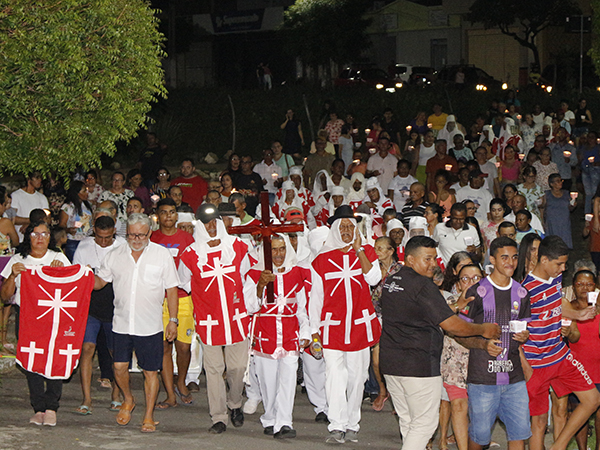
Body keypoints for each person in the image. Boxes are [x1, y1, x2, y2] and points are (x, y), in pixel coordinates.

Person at [379, 236, 500, 449]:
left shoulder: (392, 280)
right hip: (418, 365)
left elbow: (416, 312)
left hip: (391, 363)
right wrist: (484, 329)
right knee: (425, 424)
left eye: (435, 258)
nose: (434, 264)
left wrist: (453, 307)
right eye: (428, 259)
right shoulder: (422, 286)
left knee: (409, 421)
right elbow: (453, 326)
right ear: (410, 259)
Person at [93, 213, 180, 433]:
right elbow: (100, 282)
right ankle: (128, 399)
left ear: (149, 232)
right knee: (119, 367)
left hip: (150, 326)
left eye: (141, 234)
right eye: (132, 234)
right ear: (126, 233)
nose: (137, 238)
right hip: (121, 323)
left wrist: (173, 320)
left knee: (150, 371)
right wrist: (76, 276)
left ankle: (149, 416)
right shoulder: (115, 255)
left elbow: (171, 289)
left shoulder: (162, 255)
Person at [309, 206, 382, 444]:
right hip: (332, 327)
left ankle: (353, 422)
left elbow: (374, 279)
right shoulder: (321, 259)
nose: (348, 231)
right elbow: (316, 298)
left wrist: (359, 250)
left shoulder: (367, 251)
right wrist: (313, 330)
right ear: (335, 229)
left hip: (359, 325)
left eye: (351, 226)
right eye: (343, 227)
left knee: (357, 376)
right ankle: (337, 425)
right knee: (334, 376)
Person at [178, 204, 253, 433]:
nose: (211, 227)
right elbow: (184, 283)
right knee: (213, 369)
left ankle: (235, 403)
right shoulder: (190, 255)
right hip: (209, 320)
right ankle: (218, 416)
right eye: (206, 223)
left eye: (214, 222)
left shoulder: (238, 247)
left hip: (236, 318)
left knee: (237, 367)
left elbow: (247, 277)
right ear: (199, 225)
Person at [522, 236, 600, 450]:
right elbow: (514, 330)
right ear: (544, 260)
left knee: (592, 399)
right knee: (538, 423)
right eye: (559, 264)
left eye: (565, 264)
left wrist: (579, 314)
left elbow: (557, 304)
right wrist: (524, 365)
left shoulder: (554, 278)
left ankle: (559, 446)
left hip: (560, 355)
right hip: (535, 363)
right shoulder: (525, 291)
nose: (563, 269)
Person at [460, 237, 532, 450]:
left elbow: (522, 328)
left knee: (519, 433)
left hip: (514, 378)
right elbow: (460, 333)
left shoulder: (522, 292)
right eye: (504, 257)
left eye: (514, 257)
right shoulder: (477, 291)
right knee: (480, 436)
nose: (511, 262)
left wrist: (524, 337)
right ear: (492, 259)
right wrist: (483, 344)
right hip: (483, 378)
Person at [0, 220, 71, 426]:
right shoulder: (18, 259)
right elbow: (5, 297)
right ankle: (38, 407)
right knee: (32, 361)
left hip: (53, 317)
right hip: (27, 317)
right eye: (35, 234)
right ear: (28, 237)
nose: (40, 238)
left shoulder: (58, 258)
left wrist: (61, 273)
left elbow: (71, 289)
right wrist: (13, 275)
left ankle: (51, 406)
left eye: (44, 234)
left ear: (50, 237)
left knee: (53, 359)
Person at [244, 235, 310, 438]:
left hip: (290, 333)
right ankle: (270, 417)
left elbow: (302, 308)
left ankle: (284, 422)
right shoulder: (254, 274)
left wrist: (305, 331)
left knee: (288, 380)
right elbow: (250, 307)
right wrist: (260, 286)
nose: (279, 254)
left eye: (282, 249)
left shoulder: (298, 273)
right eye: (273, 250)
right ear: (266, 252)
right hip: (266, 334)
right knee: (268, 381)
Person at [73, 216, 124, 416]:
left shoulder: (123, 247)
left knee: (115, 352)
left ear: (114, 232)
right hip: (91, 307)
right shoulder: (84, 248)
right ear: (94, 231)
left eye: (108, 237)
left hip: (115, 307)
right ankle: (87, 398)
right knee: (87, 348)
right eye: (100, 237)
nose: (103, 241)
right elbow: (77, 277)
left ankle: (116, 394)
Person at [150, 198, 195, 409]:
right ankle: (170, 394)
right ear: (158, 216)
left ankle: (181, 380)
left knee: (184, 347)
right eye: (164, 212)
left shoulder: (188, 239)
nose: (168, 216)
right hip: (158, 299)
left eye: (172, 212)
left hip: (183, 298)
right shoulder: (151, 238)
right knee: (163, 348)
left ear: (176, 215)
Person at [438, 263, 484, 450]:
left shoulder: (493, 305)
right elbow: (440, 318)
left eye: (476, 279)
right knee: (458, 406)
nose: (471, 283)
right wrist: (459, 305)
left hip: (482, 363)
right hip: (454, 363)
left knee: (479, 411)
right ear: (458, 285)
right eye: (465, 279)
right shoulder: (450, 305)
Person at [567, 270, 600, 450]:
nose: (584, 288)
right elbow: (572, 338)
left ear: (595, 286)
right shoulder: (569, 308)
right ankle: (582, 448)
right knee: (580, 411)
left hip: (599, 366)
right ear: (573, 287)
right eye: (580, 284)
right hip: (578, 368)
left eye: (589, 284)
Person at [370, 236, 399, 412]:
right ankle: (382, 390)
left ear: (391, 251)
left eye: (381, 248)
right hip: (376, 318)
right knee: (376, 360)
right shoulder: (370, 270)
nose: (377, 252)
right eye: (375, 248)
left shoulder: (401, 270)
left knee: (396, 362)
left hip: (395, 320)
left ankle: (398, 397)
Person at [58, 180, 93, 261]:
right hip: (73, 241)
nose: (87, 192)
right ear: (77, 193)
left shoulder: (88, 205)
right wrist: (68, 230)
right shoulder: (67, 207)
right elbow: (62, 225)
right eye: (84, 190)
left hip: (87, 240)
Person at [12, 171, 49, 241]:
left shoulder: (42, 197)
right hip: (20, 238)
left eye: (40, 178)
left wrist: (30, 224)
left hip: (38, 239)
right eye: (37, 178)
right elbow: (13, 218)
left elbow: (47, 218)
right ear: (29, 179)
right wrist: (32, 221)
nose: (40, 180)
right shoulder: (15, 196)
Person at [541, 173, 576, 249]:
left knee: (564, 244)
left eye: (560, 180)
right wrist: (543, 222)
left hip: (564, 223)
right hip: (552, 222)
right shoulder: (547, 194)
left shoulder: (566, 193)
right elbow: (542, 208)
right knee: (552, 244)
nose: (560, 183)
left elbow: (570, 208)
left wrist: (573, 205)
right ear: (551, 184)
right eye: (557, 181)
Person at [98, 172, 133, 237]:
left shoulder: (130, 194)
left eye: (119, 180)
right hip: (110, 224)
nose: (116, 182)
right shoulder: (105, 194)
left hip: (126, 223)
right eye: (114, 180)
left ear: (123, 182)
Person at [0, 186, 19, 255]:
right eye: (4, 205)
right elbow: (16, 242)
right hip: (3, 262)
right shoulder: (5, 222)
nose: (5, 208)